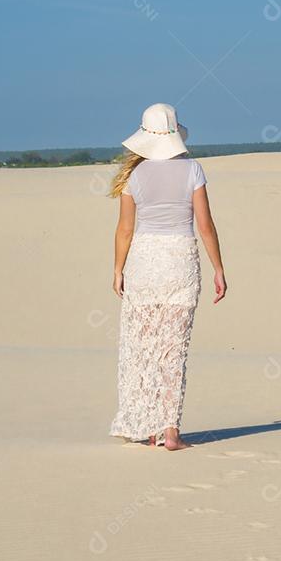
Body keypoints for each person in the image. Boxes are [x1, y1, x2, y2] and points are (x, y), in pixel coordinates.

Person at [106, 103, 226, 450]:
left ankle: (150, 429)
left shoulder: (133, 175)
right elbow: (205, 225)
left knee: (144, 348)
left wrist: (118, 270)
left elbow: (125, 229)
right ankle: (171, 431)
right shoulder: (193, 169)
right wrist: (218, 268)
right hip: (180, 261)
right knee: (173, 349)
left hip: (144, 264)